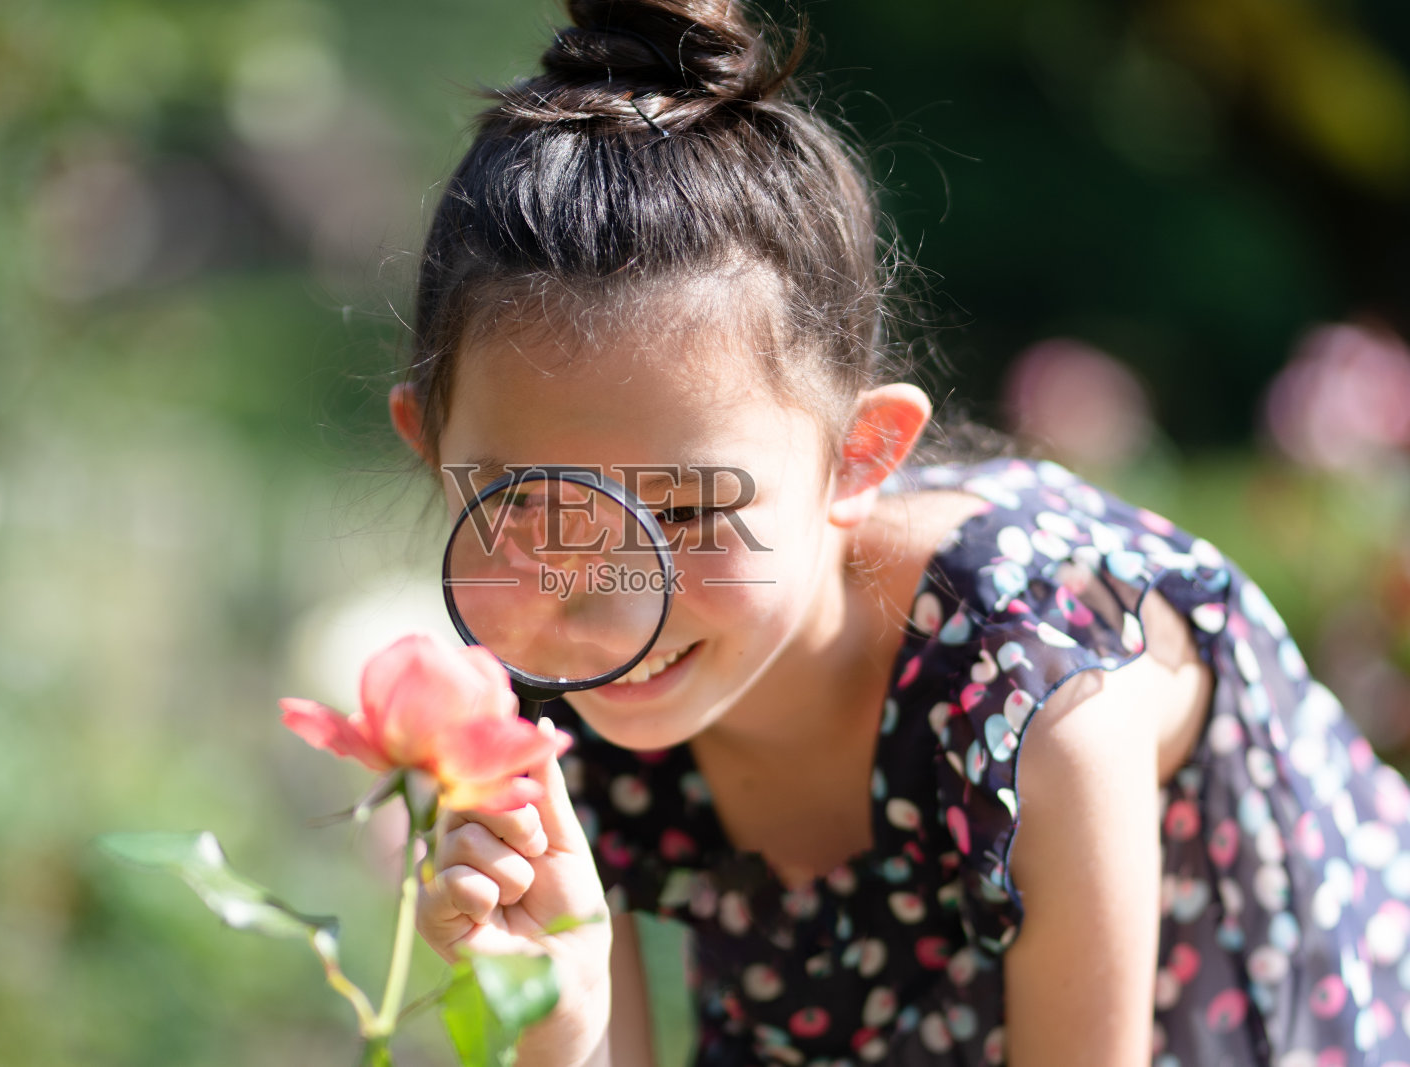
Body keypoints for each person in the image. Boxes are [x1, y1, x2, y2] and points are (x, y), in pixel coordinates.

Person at [391, 1, 1410, 1063]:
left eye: (691, 510)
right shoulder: (528, 684)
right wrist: (556, 1030)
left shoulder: (1039, 696)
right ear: (433, 451)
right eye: (537, 505)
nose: (609, 599)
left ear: (859, 456)